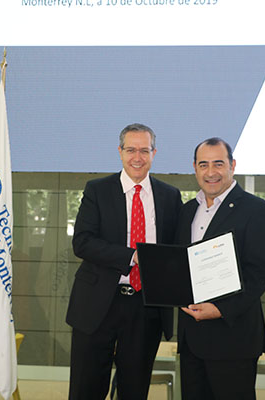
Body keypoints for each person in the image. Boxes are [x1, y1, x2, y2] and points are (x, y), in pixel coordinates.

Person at [66, 123, 182, 400]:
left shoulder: (170, 196)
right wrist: (132, 256)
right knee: (86, 389)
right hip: (97, 305)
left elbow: (176, 251)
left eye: (144, 150)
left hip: (146, 307)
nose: (137, 157)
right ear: (120, 152)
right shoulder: (97, 190)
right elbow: (82, 242)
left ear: (155, 153)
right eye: (131, 149)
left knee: (134, 390)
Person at [175, 137, 265, 400]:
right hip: (192, 340)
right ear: (194, 168)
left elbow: (259, 274)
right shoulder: (186, 212)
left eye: (218, 164)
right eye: (204, 164)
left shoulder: (257, 210)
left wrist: (220, 309)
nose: (211, 173)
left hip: (234, 339)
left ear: (232, 165)